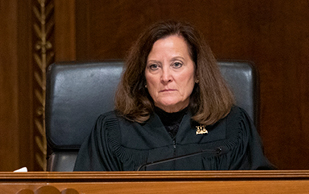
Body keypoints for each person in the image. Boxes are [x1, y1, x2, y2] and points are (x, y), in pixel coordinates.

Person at [74, 20, 274, 171]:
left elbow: (257, 192)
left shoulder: (232, 125)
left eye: (177, 64)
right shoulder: (111, 131)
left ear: (197, 73)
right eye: (154, 67)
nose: (165, 77)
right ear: (143, 77)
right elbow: (88, 193)